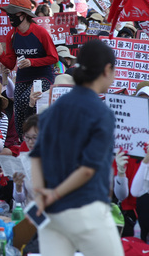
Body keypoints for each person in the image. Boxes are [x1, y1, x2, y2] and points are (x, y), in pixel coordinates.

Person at [30, 40, 123, 256]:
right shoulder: (101, 112)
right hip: (85, 208)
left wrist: (41, 196)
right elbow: (88, 168)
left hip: (50, 214)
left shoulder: (54, 108)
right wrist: (53, 194)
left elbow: (36, 156)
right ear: (107, 69)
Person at [0, 0, 58, 137]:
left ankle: (35, 136)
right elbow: (10, 64)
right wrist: (0, 54)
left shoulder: (40, 32)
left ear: (23, 15)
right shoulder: (11, 34)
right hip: (23, 78)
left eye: (13, 14)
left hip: (43, 76)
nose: (10, 17)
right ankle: (23, 141)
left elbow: (54, 57)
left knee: (25, 101)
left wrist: (32, 62)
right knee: (18, 111)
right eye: (8, 14)